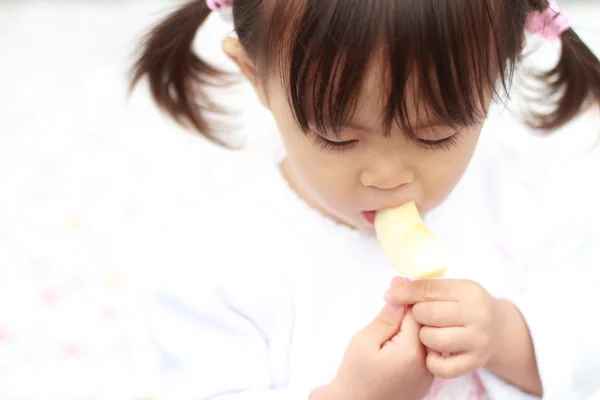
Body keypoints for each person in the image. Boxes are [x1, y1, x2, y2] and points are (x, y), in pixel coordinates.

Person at [131, 0, 600, 398]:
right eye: (338, 140)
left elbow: (587, 355)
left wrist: (506, 338)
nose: (388, 177)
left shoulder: (528, 200)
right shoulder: (212, 261)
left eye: (435, 135)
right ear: (257, 77)